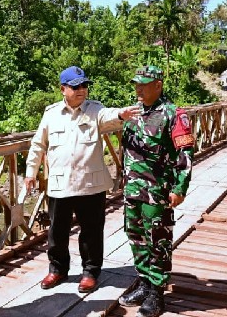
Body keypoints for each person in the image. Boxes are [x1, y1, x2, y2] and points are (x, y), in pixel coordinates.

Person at [24, 66, 139, 293]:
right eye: (76, 86)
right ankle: (57, 269)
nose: (81, 90)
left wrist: (121, 114)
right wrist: (30, 172)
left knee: (91, 231)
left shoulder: (95, 110)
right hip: (60, 184)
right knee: (57, 231)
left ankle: (90, 272)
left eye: (84, 85)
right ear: (63, 89)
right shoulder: (51, 114)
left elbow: (109, 116)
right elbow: (38, 144)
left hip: (90, 184)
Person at [117, 66, 194, 317]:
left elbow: (185, 153)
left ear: (158, 85)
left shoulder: (173, 114)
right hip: (133, 189)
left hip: (157, 191)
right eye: (136, 84)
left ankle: (157, 293)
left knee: (157, 241)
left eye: (144, 84)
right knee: (136, 237)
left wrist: (180, 187)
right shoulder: (133, 113)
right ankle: (144, 283)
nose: (138, 89)